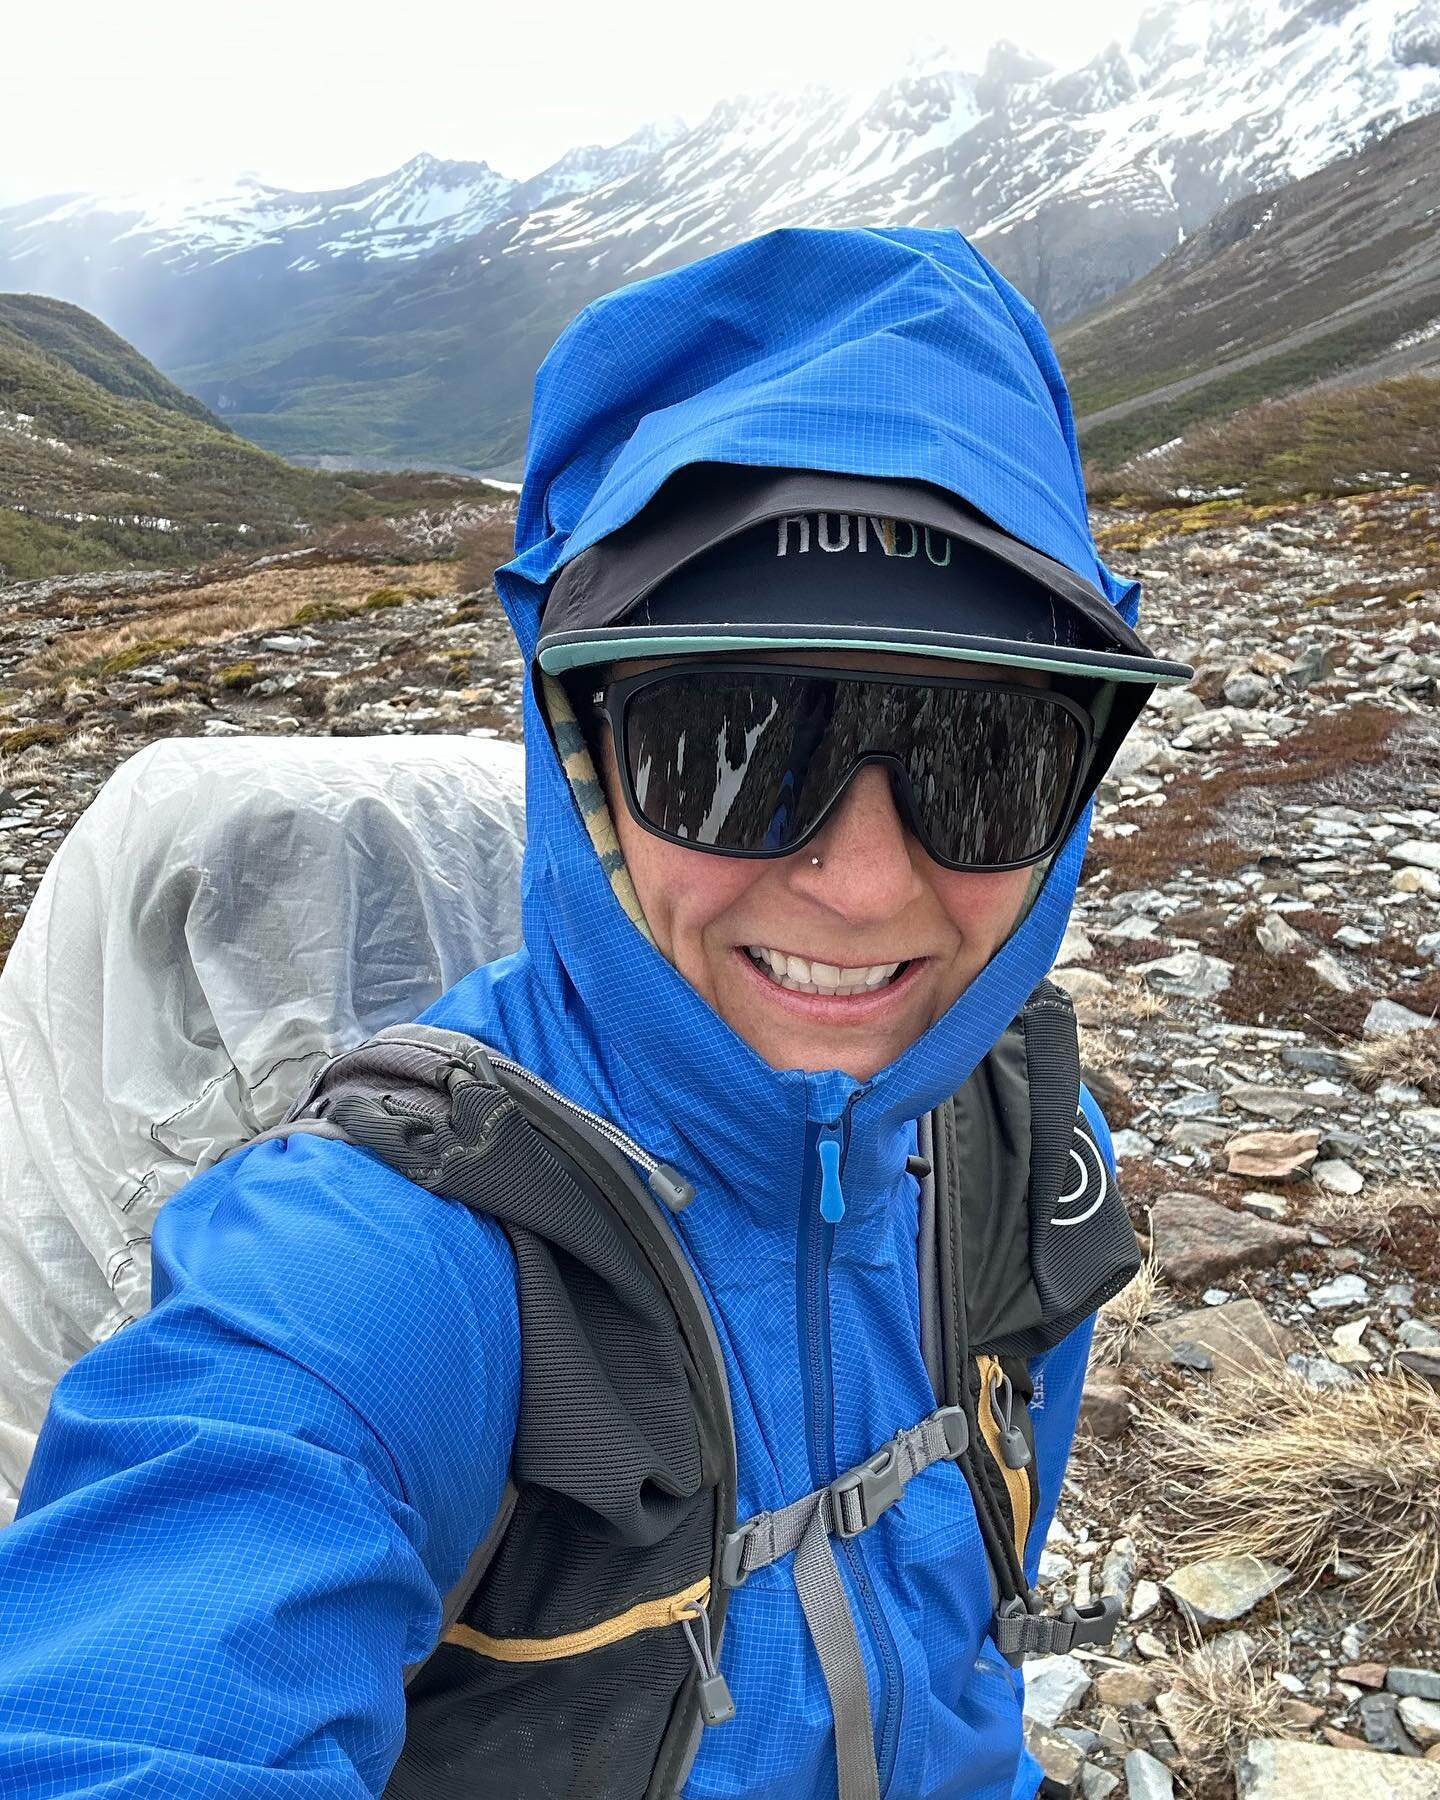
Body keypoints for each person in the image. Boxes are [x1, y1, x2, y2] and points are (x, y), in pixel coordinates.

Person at [0, 226, 1188, 1799]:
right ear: (583, 763)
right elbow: (137, 1697)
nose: (857, 883)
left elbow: (970, 1626)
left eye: (988, 762)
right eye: (732, 743)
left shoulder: (1024, 1138)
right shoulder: (396, 1256)